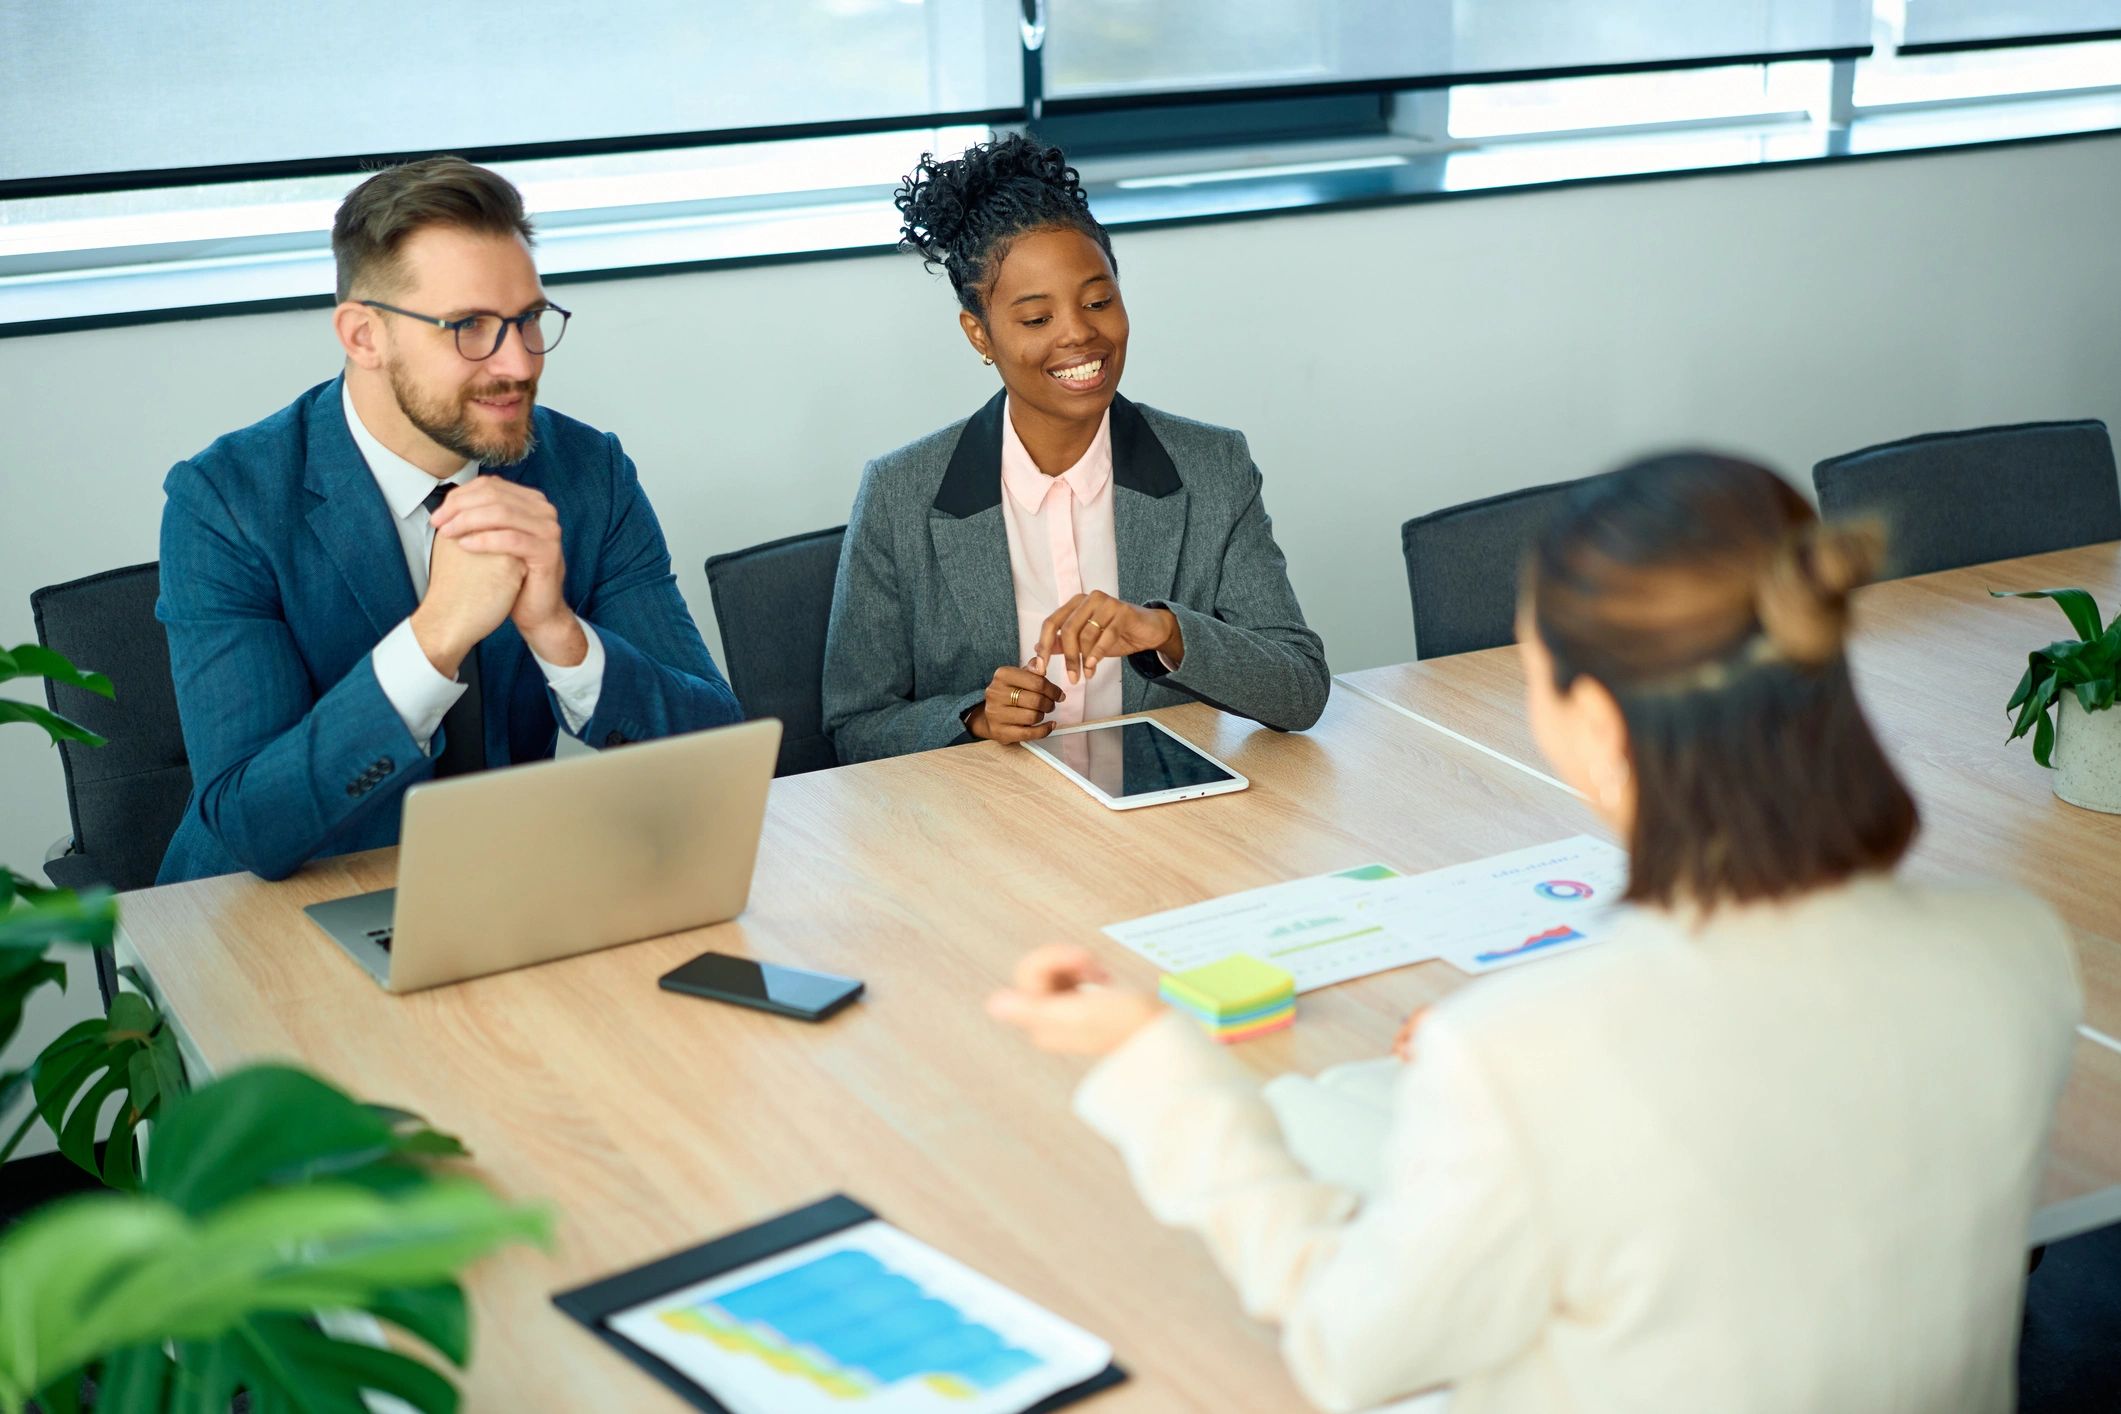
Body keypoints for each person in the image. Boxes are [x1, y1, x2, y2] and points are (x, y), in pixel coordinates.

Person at [988, 453, 2082, 1413]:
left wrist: (1158, 1067)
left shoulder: (1526, 1055)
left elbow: (1347, 1343)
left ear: (1596, 722)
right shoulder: (2018, 947)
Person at [155, 156, 740, 884]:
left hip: (496, 889)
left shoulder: (589, 474)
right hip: (268, 906)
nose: (519, 364)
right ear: (363, 336)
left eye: (528, 320)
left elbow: (718, 758)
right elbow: (251, 823)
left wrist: (560, 635)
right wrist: (434, 638)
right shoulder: (227, 501)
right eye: (469, 326)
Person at [821, 135, 1327, 762]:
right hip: (991, 810)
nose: (1080, 334)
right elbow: (855, 727)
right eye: (1037, 319)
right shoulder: (900, 493)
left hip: (1163, 801)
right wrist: (974, 718)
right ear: (980, 334)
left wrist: (1165, 632)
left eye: (1098, 301)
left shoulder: (1212, 467)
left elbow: (1301, 688)